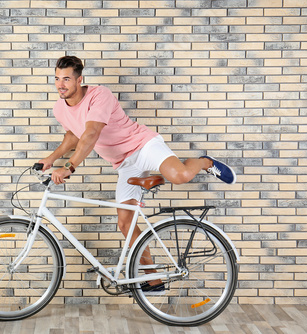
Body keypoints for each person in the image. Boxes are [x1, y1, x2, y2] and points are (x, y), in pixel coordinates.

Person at [38, 56, 236, 291]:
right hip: (124, 163)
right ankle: (153, 279)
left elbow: (90, 133)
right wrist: (50, 159)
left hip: (142, 145)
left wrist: (69, 166)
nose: (61, 84)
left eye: (67, 79)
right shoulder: (60, 108)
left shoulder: (100, 95)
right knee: (125, 223)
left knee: (180, 176)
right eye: (57, 79)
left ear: (80, 80)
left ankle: (202, 162)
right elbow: (73, 135)